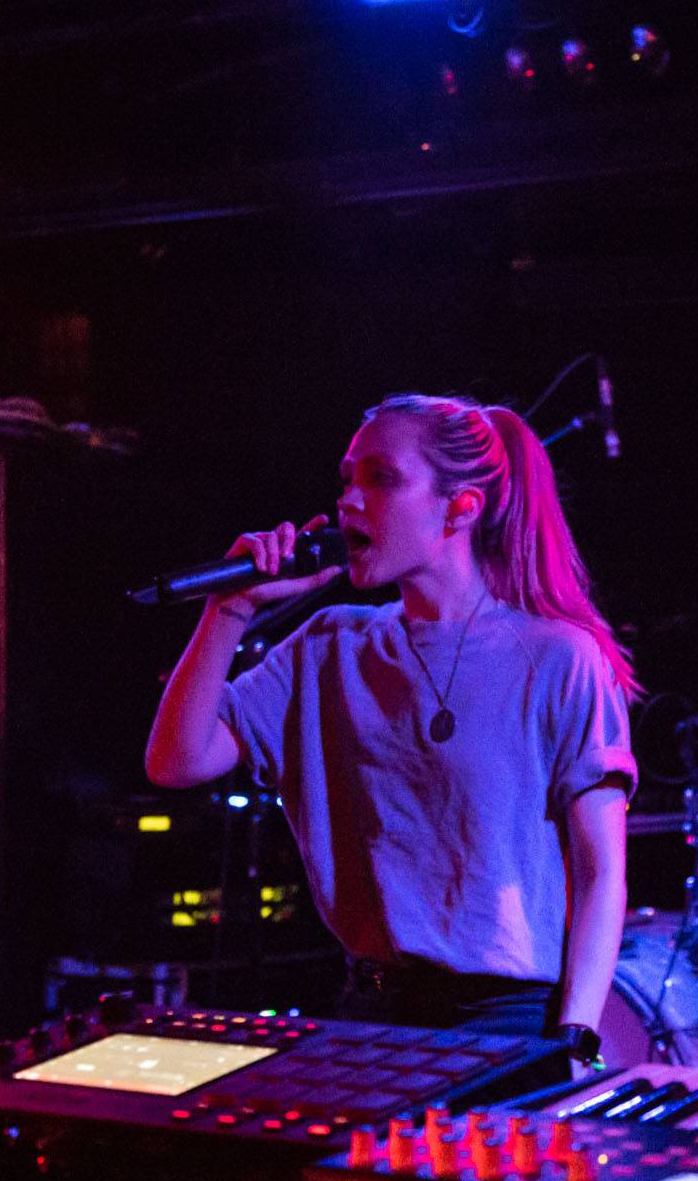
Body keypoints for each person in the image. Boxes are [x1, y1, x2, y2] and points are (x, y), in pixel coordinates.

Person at [145, 395, 636, 1069]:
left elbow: (601, 869)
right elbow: (176, 759)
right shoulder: (328, 646)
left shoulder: (557, 658)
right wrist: (228, 612)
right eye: (347, 478)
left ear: (460, 507)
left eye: (381, 478)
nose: (349, 500)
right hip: (373, 1013)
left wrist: (576, 1036)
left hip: (509, 1016)